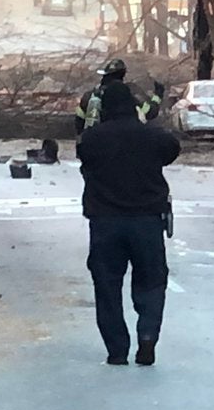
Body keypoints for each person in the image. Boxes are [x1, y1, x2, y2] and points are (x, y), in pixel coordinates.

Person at [77, 82, 180, 366]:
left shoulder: (93, 139)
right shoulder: (153, 137)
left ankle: (116, 350)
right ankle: (147, 335)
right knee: (151, 281)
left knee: (107, 286)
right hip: (147, 221)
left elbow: (84, 155)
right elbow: (172, 149)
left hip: (105, 223)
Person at [75, 59, 165, 133]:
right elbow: (150, 112)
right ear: (123, 75)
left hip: (95, 143)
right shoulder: (127, 96)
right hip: (120, 142)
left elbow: (79, 122)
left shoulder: (90, 96)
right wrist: (158, 95)